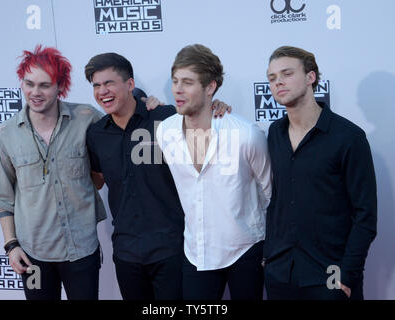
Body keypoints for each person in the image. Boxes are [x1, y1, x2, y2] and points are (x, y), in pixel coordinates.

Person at [0, 45, 158, 300]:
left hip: (81, 250)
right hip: (33, 254)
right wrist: (11, 245)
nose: (35, 93)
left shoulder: (87, 118)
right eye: (29, 84)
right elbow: (4, 199)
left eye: (44, 85)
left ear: (60, 86)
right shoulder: (6, 134)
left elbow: (124, 116)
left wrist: (150, 103)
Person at [84, 52, 231, 300]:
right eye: (96, 85)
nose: (102, 91)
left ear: (130, 84)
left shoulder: (166, 118)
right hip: (126, 253)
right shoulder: (96, 133)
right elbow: (97, 179)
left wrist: (217, 106)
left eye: (109, 83)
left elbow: (206, 141)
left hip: (172, 250)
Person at [156, 44, 272, 300]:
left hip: (245, 248)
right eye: (175, 81)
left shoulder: (245, 135)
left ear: (210, 87)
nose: (177, 89)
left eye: (187, 82)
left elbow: (269, 192)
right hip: (196, 250)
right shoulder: (165, 131)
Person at [263, 46, 377, 300]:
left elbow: (365, 215)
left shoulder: (348, 137)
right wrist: (268, 257)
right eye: (272, 78)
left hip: (331, 276)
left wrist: (347, 275)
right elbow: (276, 200)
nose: (278, 81)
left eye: (287, 73)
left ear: (310, 77)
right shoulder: (274, 133)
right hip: (280, 274)